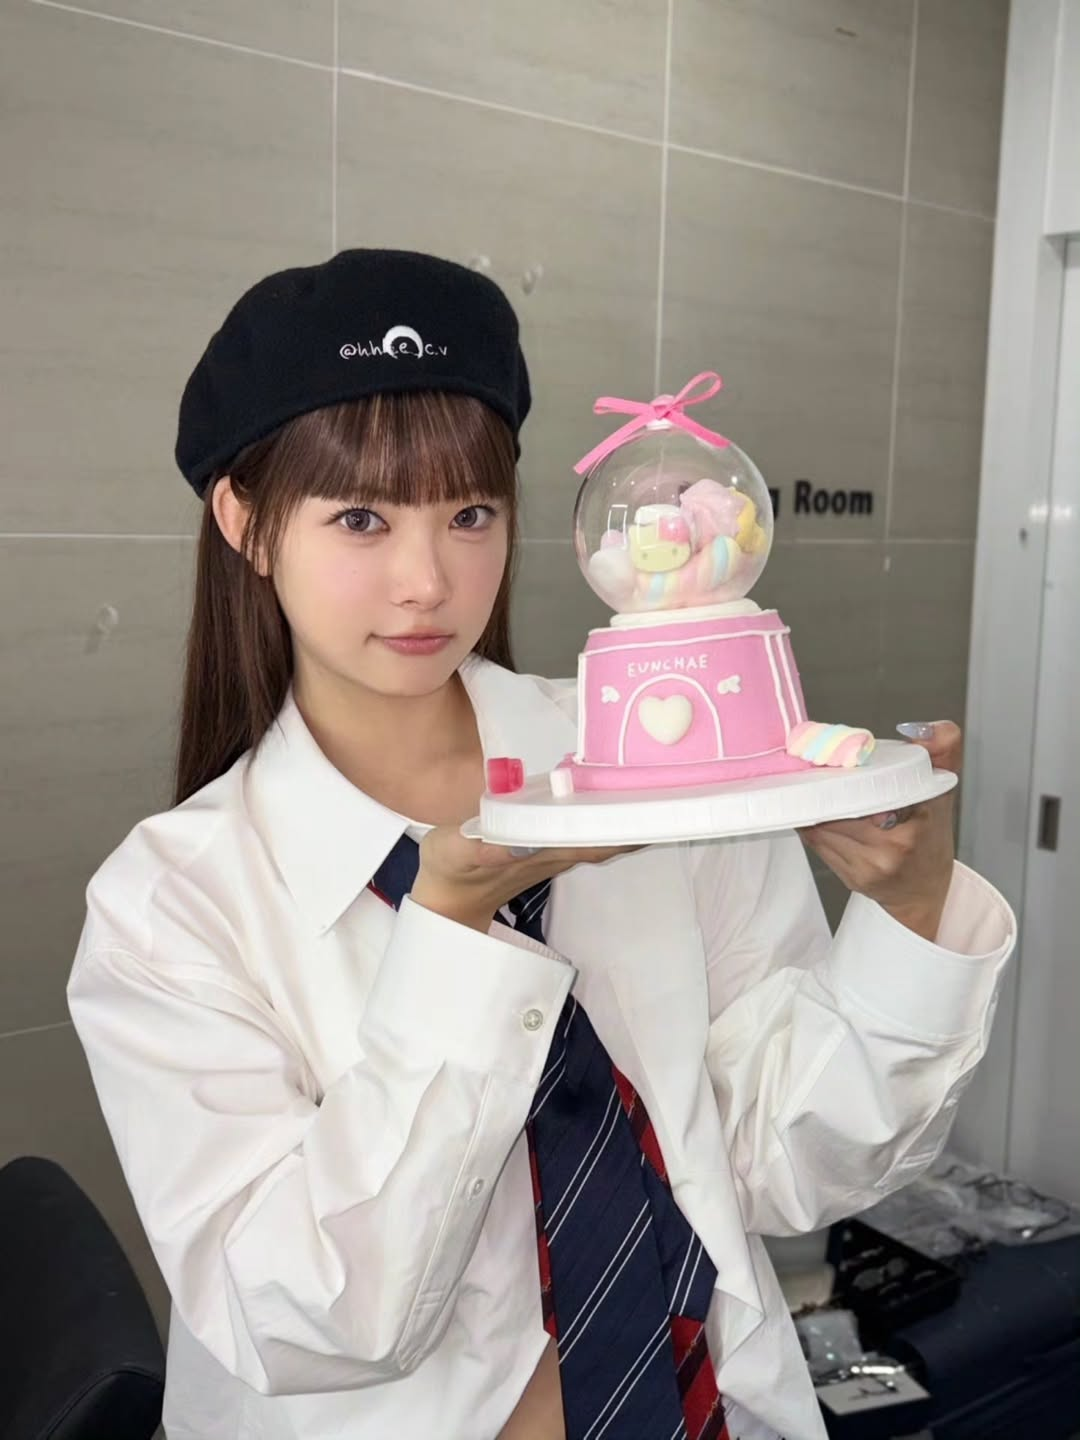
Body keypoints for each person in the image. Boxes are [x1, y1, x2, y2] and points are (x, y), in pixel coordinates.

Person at [68, 249, 1016, 1440]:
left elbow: (785, 1166)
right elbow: (305, 1321)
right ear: (246, 523)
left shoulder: (650, 769)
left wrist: (911, 916)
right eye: (360, 518)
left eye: (469, 514)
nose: (426, 580)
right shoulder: (170, 903)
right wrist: (453, 941)